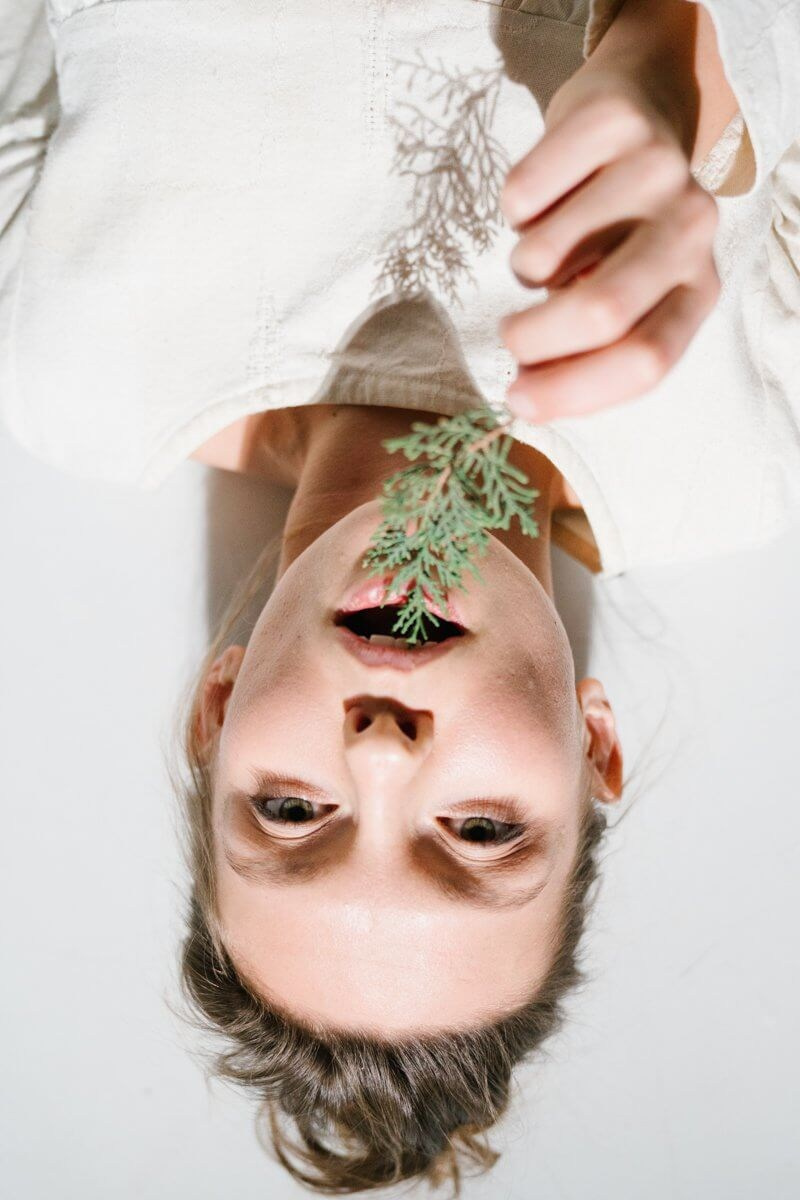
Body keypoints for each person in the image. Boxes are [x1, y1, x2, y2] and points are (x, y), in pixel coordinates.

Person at [2, 0, 799, 1192]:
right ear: (593, 752)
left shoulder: (64, 355)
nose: (379, 754)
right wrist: (678, 52)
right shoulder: (750, 432)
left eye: (287, 814)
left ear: (214, 713)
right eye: (480, 834)